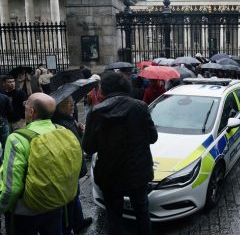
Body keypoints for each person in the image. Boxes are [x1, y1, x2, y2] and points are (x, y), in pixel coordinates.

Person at [82, 72, 158, 235]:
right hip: (138, 171)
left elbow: (88, 147)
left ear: (105, 89)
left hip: (110, 174)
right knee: (142, 214)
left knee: (114, 217)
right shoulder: (140, 107)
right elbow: (153, 138)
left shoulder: (96, 112)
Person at [0, 92, 80, 234]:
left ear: (31, 111)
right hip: (55, 204)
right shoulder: (61, 130)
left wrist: (2, 207)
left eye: (26, 104)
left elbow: (11, 188)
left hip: (24, 212)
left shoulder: (17, 139)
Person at [51, 96, 92, 234]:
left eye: (72, 102)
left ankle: (78, 222)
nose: (73, 105)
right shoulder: (60, 124)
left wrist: (79, 129)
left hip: (74, 167)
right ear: (60, 107)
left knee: (75, 195)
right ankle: (68, 228)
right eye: (69, 103)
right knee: (69, 200)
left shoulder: (68, 120)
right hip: (69, 170)